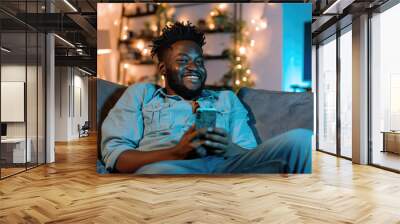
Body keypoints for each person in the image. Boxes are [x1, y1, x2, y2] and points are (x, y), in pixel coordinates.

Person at [101, 21, 312, 174]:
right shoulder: (142, 94)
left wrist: (229, 147)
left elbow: (249, 153)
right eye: (183, 60)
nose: (194, 67)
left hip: (227, 167)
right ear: (163, 68)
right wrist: (176, 153)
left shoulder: (226, 99)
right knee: (157, 172)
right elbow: (117, 156)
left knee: (300, 140)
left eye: (199, 61)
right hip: (170, 166)